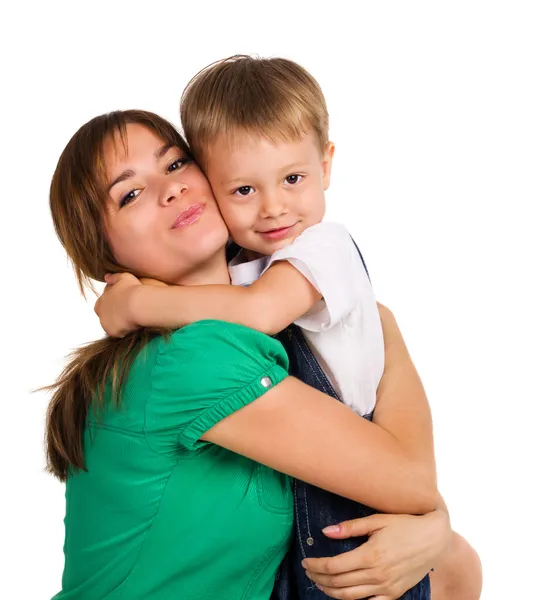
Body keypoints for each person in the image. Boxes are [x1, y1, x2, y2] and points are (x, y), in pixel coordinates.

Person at [96, 56, 482, 600]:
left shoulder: (318, 249)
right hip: (324, 480)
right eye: (244, 190)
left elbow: (259, 313)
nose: (274, 207)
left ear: (327, 166)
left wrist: (138, 302)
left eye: (293, 178)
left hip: (345, 482)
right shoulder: (205, 332)